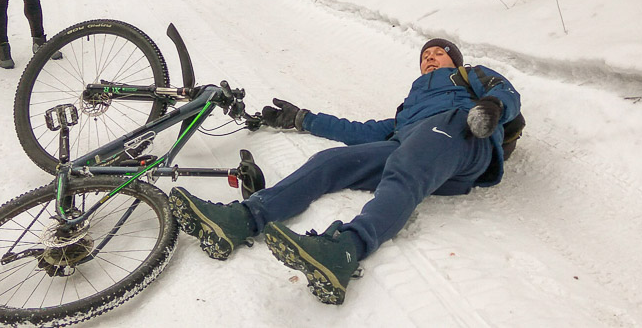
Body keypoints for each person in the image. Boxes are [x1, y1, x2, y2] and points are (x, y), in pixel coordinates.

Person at [168, 39, 521, 305]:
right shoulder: (409, 105)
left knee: (405, 166)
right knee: (332, 161)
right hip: (413, 141)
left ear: (453, 60)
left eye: (438, 53)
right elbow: (361, 131)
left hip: (463, 134)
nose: (430, 58)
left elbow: (506, 92)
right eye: (425, 55)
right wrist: (302, 119)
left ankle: (345, 250)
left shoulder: (467, 76)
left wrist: (491, 108)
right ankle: (242, 219)